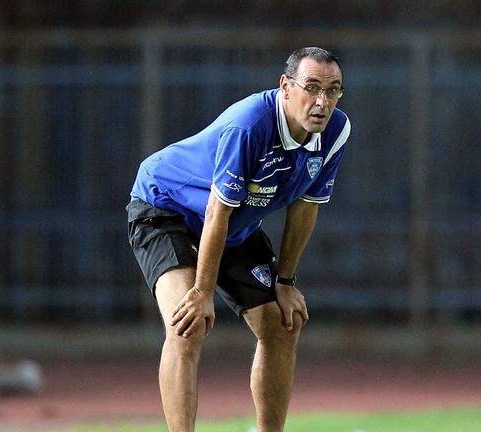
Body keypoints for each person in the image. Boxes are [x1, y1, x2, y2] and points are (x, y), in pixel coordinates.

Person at [126, 46, 350, 432]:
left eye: (333, 90)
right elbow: (217, 211)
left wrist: (285, 282)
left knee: (283, 325)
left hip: (231, 226)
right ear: (285, 87)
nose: (322, 101)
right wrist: (201, 291)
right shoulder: (249, 125)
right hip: (166, 208)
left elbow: (304, 208)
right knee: (187, 324)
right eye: (311, 87)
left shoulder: (335, 132)